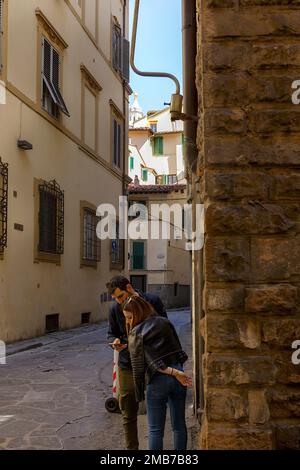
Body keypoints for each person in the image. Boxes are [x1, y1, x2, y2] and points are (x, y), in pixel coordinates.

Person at [122, 295, 192, 451]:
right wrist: (178, 372)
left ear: (138, 313)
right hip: (178, 377)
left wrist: (173, 373)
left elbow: (154, 364)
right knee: (179, 425)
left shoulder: (136, 333)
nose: (128, 321)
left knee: (155, 431)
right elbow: (179, 352)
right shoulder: (165, 322)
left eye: (129, 317)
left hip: (158, 380)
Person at [106, 276, 167, 450]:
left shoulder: (153, 300)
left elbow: (164, 326)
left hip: (153, 362)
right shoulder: (115, 309)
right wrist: (115, 341)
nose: (119, 301)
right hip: (127, 362)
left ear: (130, 288)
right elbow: (111, 333)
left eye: (121, 296)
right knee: (127, 409)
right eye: (116, 299)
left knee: (156, 408)